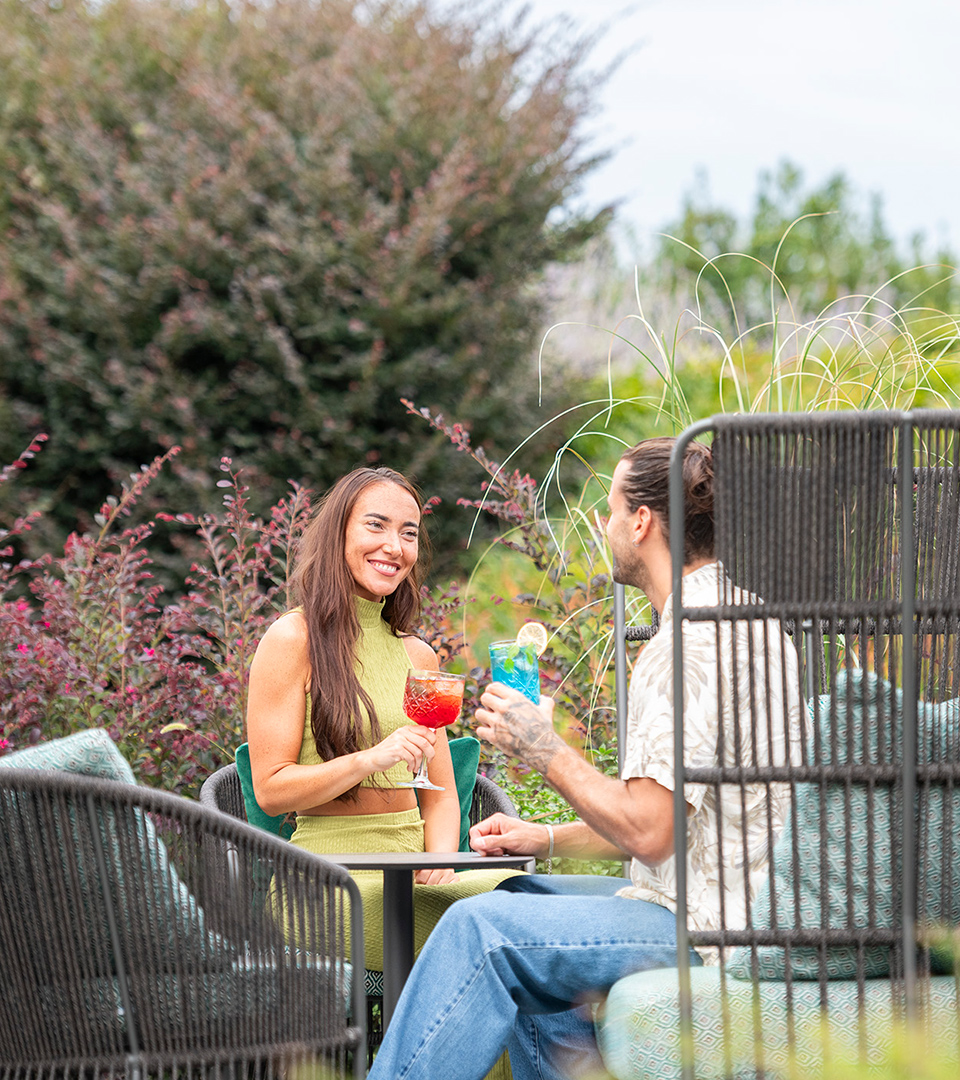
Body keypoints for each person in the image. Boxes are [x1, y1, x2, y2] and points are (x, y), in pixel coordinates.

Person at [367, 437, 804, 1080]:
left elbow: (650, 833)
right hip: (733, 900)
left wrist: (543, 750)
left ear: (642, 521)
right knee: (521, 890)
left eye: (609, 508)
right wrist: (542, 836)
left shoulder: (687, 644)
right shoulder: (752, 621)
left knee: (480, 929)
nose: (603, 527)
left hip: (715, 930)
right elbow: (679, 822)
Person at [245, 466, 521, 978]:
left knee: (518, 899)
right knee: (498, 930)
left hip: (412, 874)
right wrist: (371, 759)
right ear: (339, 534)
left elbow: (438, 792)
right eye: (376, 526)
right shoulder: (291, 640)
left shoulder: (418, 655)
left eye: (409, 533)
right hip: (329, 880)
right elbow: (271, 789)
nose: (394, 546)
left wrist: (440, 861)